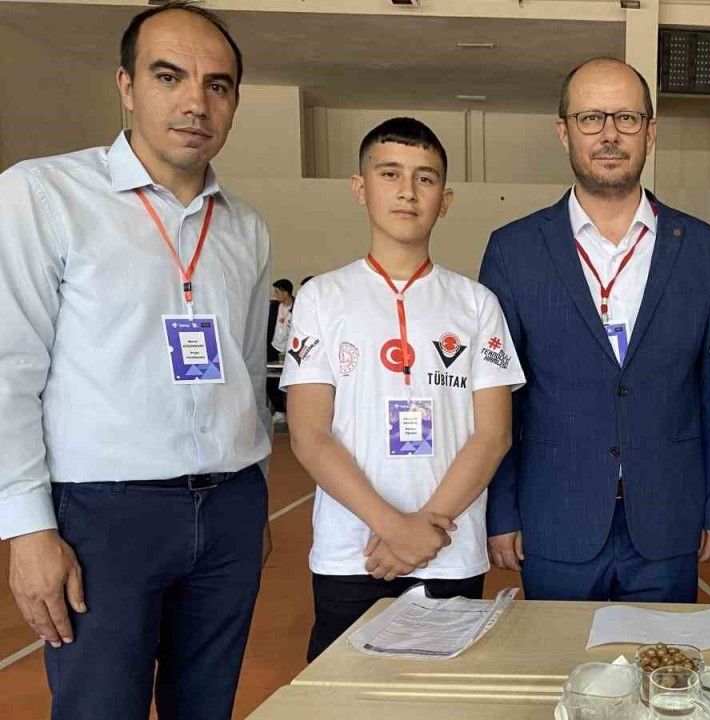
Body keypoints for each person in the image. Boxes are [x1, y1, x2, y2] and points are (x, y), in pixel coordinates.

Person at [0, 3, 272, 718]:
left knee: (206, 707)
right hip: (105, 516)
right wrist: (27, 527)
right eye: (168, 76)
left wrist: (254, 498)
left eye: (218, 85)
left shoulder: (245, 227)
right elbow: (8, 371)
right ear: (126, 85)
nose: (195, 102)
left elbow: (245, 371)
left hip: (230, 508)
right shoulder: (44, 196)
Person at [479, 57, 710, 602]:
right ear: (564, 132)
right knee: (558, 654)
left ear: (650, 131)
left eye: (626, 118)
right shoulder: (513, 250)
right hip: (555, 515)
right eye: (590, 118)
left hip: (669, 517)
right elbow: (500, 397)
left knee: (662, 657)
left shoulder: (704, 249)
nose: (609, 135)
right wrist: (500, 509)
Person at [284, 118, 524, 661]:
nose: (408, 191)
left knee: (443, 695)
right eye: (389, 173)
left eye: (426, 178)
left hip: (450, 553)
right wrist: (394, 528)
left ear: (446, 200)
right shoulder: (322, 298)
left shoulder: (476, 304)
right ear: (359, 187)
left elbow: (493, 435)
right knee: (345, 693)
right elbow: (309, 434)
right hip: (353, 552)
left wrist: (425, 532)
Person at [268, 277, 294, 423]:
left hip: (290, 349)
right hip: (274, 347)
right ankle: (279, 410)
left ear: (286, 293)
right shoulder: (274, 307)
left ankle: (293, 411)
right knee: (270, 380)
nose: (275, 295)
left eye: (278, 292)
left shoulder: (298, 307)